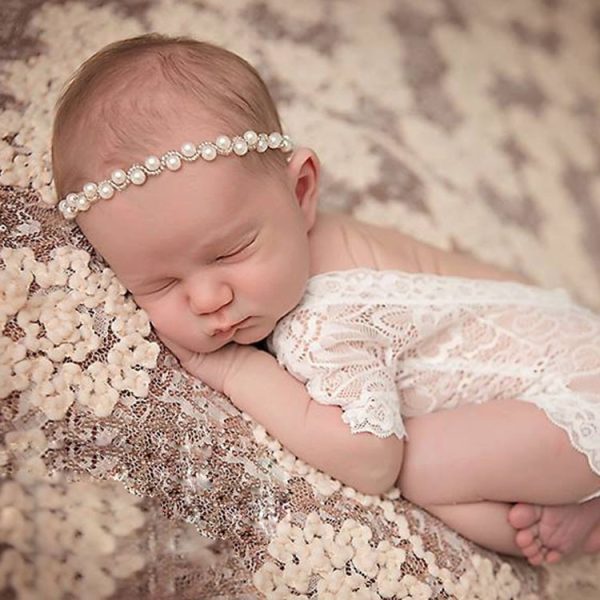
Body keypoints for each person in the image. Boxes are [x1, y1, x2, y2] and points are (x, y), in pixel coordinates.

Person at [50, 33, 600, 566]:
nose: (208, 298)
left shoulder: (323, 319)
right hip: (575, 345)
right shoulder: (324, 238)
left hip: (576, 403)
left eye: (231, 251)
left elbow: (370, 461)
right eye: (160, 284)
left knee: (417, 468)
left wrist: (238, 371)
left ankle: (587, 512)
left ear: (301, 192)